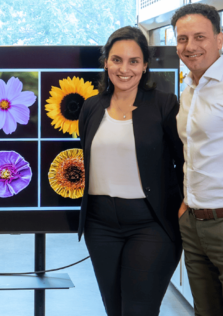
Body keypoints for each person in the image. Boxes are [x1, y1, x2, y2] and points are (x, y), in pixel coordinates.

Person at [78, 26, 184, 316]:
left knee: (138, 311)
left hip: (151, 224)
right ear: (106, 62)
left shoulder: (164, 104)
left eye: (133, 61)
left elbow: (184, 161)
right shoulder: (90, 108)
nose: (124, 69)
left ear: (145, 65)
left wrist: (186, 203)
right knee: (114, 309)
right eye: (116, 60)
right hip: (100, 226)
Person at [172, 3, 223, 315]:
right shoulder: (188, 90)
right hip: (193, 224)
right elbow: (192, 153)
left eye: (199, 37)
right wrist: (186, 206)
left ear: (219, 39)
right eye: (182, 38)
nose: (190, 46)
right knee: (205, 311)